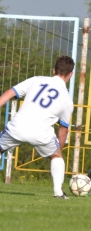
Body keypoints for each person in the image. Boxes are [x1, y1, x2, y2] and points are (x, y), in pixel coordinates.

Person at [0, 55, 75, 199]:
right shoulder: (67, 100)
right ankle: (58, 192)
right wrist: (58, 148)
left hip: (18, 126)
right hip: (41, 133)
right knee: (56, 156)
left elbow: (10, 93)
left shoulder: (36, 80)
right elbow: (63, 130)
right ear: (70, 74)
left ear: (54, 70)